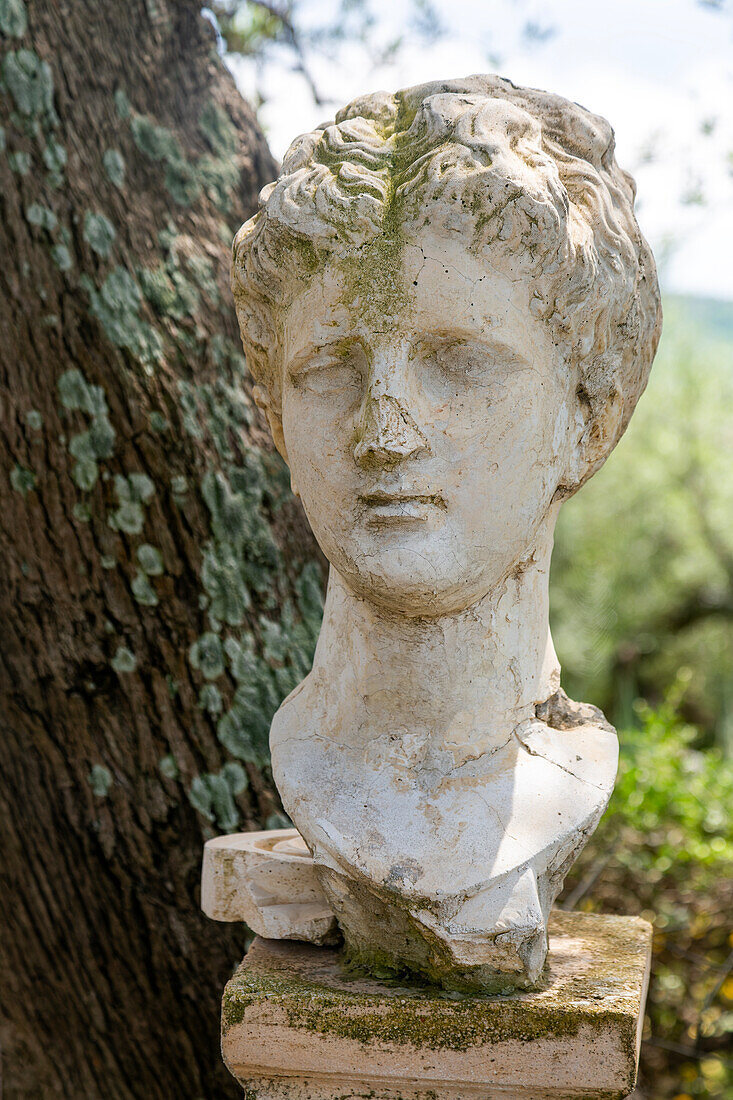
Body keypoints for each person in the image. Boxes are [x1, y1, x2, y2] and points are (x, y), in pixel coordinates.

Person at [230, 75, 662, 989]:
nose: (384, 429)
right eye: (329, 369)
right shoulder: (308, 767)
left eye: (458, 362)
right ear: (276, 417)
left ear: (588, 412)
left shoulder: (563, 780)